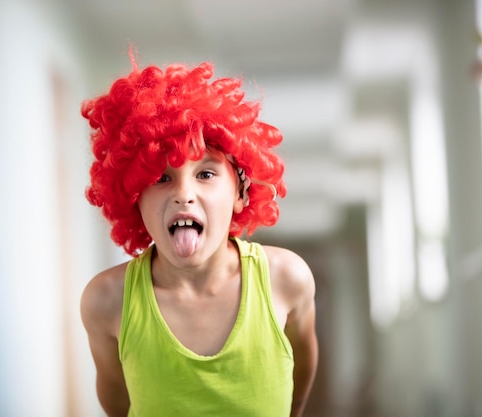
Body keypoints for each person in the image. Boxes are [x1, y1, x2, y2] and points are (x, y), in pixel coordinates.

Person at [80, 54, 318, 417]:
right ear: (132, 198)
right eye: (161, 178)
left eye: (205, 174)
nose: (183, 193)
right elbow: (117, 403)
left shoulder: (286, 279)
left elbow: (298, 384)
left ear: (241, 193)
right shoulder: (106, 302)